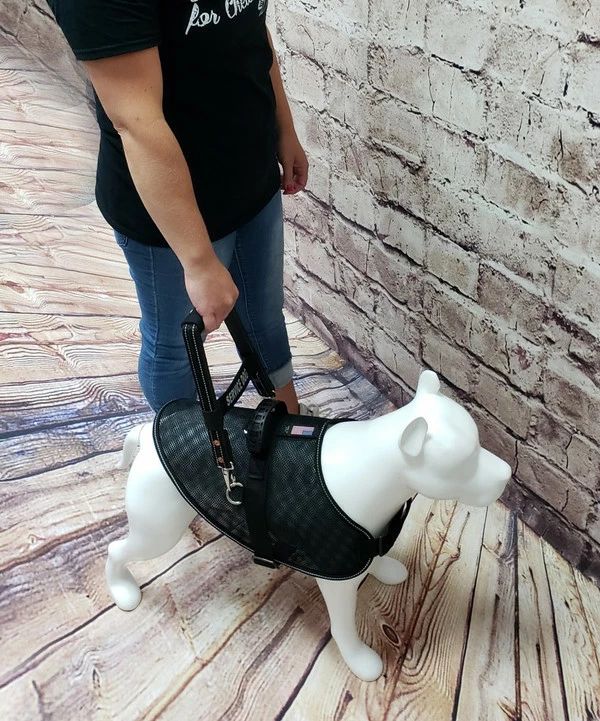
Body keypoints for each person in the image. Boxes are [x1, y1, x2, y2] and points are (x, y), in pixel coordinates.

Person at [47, 0, 310, 413]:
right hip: (168, 213)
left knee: (265, 318)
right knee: (176, 346)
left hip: (250, 171)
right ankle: (183, 445)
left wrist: (285, 128)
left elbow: (249, 27)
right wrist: (199, 261)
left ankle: (289, 429)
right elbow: (137, 122)